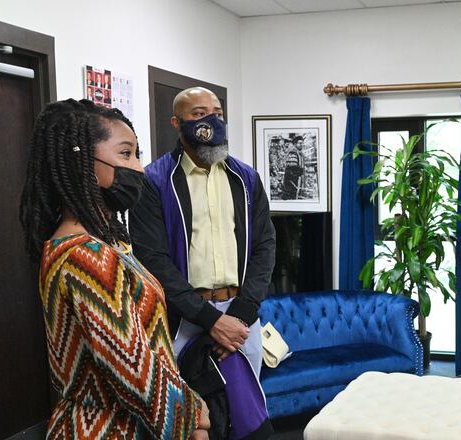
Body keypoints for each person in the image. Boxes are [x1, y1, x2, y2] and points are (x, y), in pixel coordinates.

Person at [19, 99, 210, 439]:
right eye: (125, 154)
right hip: (108, 429)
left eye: (137, 155)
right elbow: (136, 371)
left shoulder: (106, 245)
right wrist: (195, 418)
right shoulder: (84, 256)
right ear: (81, 161)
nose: (138, 168)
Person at [129, 87, 275, 438]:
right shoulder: (154, 182)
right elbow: (153, 260)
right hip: (183, 319)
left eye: (218, 112)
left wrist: (239, 315)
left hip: (242, 317)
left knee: (245, 412)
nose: (211, 120)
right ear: (176, 123)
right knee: (189, 419)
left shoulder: (247, 179)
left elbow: (265, 246)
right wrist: (211, 321)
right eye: (198, 114)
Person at [281, 135, 304, 200]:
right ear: (295, 144)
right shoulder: (293, 152)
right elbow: (292, 168)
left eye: (302, 143)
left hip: (294, 180)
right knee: (290, 198)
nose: (301, 145)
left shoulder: (298, 153)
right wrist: (300, 172)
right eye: (300, 143)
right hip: (291, 181)